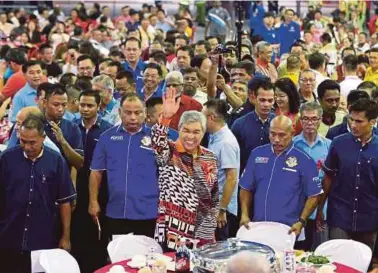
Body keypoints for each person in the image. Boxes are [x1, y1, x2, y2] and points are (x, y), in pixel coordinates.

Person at [0, 115, 76, 273]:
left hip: (43, 237)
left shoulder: (56, 161)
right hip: (9, 235)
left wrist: (66, 236)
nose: (27, 147)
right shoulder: (7, 158)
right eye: (23, 141)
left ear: (43, 138)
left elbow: (64, 201)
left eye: (32, 142)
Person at [152, 87, 218, 250]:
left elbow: (213, 195)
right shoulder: (169, 151)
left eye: (196, 132)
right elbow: (157, 140)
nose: (190, 136)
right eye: (186, 130)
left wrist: (210, 227)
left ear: (203, 133)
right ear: (179, 130)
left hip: (202, 231)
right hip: (171, 228)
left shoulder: (209, 157)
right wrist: (166, 118)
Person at [239, 115, 322, 241]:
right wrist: (244, 214)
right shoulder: (257, 154)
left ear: (292, 133)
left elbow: (314, 195)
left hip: (288, 230)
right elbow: (245, 187)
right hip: (259, 226)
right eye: (273, 134)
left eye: (282, 135)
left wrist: (302, 221)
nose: (276, 139)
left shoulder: (304, 160)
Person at [89, 93, 159, 239]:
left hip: (149, 212)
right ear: (120, 113)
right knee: (119, 258)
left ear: (145, 113)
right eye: (128, 113)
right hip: (117, 211)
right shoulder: (107, 138)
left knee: (148, 259)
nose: (133, 117)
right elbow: (96, 172)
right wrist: (93, 201)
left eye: (138, 112)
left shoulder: (157, 138)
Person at [319, 98, 378, 251]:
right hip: (340, 214)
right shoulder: (338, 143)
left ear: (372, 122)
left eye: (359, 121)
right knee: (338, 261)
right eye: (351, 119)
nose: (353, 125)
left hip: (370, 217)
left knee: (364, 263)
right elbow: (328, 177)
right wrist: (320, 209)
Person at [71, 90, 112, 273]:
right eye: (82, 105)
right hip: (75, 186)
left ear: (98, 106)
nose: (85, 109)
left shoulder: (107, 130)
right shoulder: (71, 127)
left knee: (97, 234)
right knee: (76, 231)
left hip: (100, 189)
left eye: (90, 105)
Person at [293, 102, 331, 251]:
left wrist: (322, 209)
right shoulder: (292, 145)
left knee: (320, 251)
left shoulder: (329, 145)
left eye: (314, 118)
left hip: (321, 208)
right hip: (297, 208)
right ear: (300, 121)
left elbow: (330, 179)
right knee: (299, 250)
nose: (310, 122)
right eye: (306, 119)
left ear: (320, 120)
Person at [204, 99, 239, 240]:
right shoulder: (214, 137)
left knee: (219, 251)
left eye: (202, 116)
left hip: (222, 210)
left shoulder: (226, 142)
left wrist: (222, 209)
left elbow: (231, 178)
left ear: (211, 118)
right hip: (213, 205)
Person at [231, 77, 275, 173]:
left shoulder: (279, 123)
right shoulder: (239, 124)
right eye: (262, 100)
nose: (266, 104)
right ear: (254, 98)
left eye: (270, 100)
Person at [43, 83, 84, 170]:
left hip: (62, 181)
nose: (60, 109)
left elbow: (79, 163)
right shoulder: (35, 124)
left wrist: (63, 142)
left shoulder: (72, 128)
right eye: (56, 105)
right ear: (45, 103)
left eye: (64, 105)